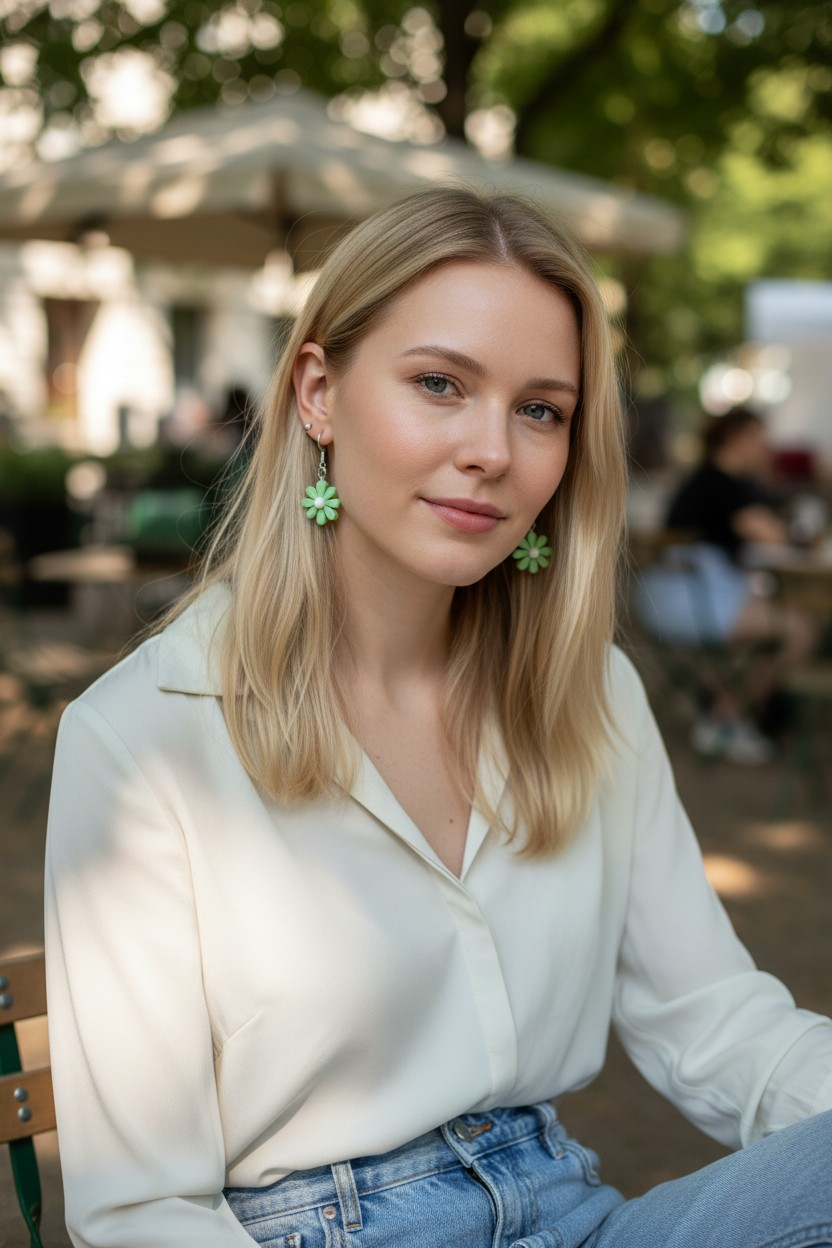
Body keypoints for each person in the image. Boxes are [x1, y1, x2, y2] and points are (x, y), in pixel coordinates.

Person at [45, 188, 832, 1248]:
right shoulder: (144, 736)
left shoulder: (588, 694)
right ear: (318, 394)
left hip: (578, 1215)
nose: (492, 451)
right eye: (439, 385)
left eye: (539, 409)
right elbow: (141, 1211)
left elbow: (712, 1024)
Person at [633, 407, 818, 763]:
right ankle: (725, 718)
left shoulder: (704, 479)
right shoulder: (724, 484)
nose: (766, 449)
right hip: (689, 602)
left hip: (665, 595)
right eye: (760, 439)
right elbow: (773, 538)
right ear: (738, 438)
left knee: (776, 628)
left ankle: (722, 706)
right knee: (800, 630)